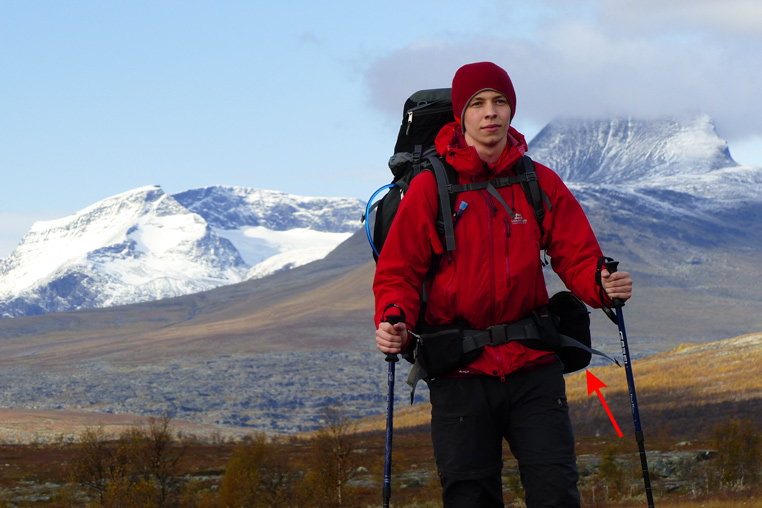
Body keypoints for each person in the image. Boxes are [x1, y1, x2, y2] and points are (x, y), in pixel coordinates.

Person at [373, 61, 633, 508]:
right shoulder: (430, 188)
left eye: (499, 102)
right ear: (461, 115)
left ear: (511, 110)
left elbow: (576, 253)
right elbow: (399, 271)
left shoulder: (538, 181)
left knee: (555, 492)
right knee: (470, 498)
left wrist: (600, 284)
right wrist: (393, 319)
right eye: (478, 103)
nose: (490, 112)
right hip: (459, 370)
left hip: (532, 365)